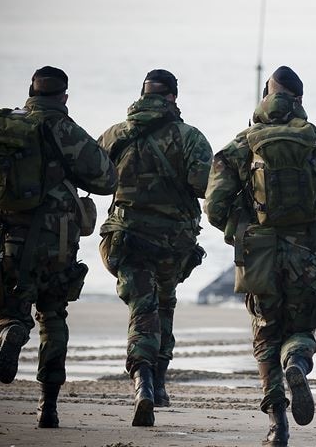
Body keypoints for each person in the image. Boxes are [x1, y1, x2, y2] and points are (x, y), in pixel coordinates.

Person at [204, 66, 316, 447]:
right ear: (299, 101)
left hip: (258, 255)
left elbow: (214, 207)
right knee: (300, 329)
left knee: (265, 333)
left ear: (266, 97)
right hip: (307, 251)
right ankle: (296, 363)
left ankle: (277, 424)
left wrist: (243, 226)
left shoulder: (242, 144)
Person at [0, 66, 118, 428]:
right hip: (58, 239)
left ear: (30, 92)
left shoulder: (3, 130)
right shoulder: (67, 130)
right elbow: (107, 178)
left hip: (8, 236)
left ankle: (11, 331)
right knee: (53, 315)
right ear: (64, 96)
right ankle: (48, 404)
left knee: (11, 307)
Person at [97, 70, 213, 427]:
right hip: (172, 243)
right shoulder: (190, 137)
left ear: (143, 94)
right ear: (173, 97)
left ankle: (143, 382)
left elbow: (96, 179)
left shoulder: (115, 134)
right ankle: (156, 383)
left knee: (141, 307)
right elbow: (204, 185)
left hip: (126, 238)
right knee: (163, 303)